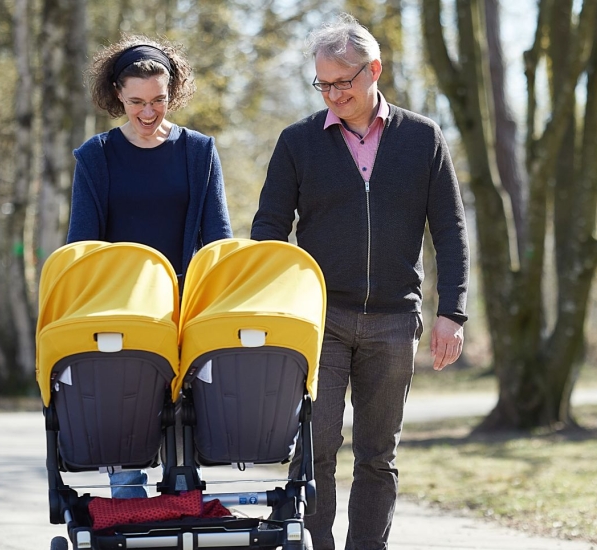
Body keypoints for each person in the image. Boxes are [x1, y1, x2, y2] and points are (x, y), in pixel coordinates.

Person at [249, 13, 468, 550]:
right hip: (319, 322)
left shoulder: (422, 138)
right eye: (322, 83)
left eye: (342, 82)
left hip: (396, 321)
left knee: (378, 454)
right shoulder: (298, 142)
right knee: (316, 450)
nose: (331, 94)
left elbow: (451, 230)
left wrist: (452, 311)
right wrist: (272, 311)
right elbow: (269, 232)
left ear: (374, 71)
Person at [66, 35, 232, 498]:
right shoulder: (96, 157)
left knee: (185, 411)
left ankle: (184, 497)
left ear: (172, 93)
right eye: (136, 101)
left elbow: (218, 238)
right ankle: (129, 503)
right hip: (119, 308)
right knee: (129, 413)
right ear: (117, 93)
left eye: (158, 100)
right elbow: (81, 244)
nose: (147, 112)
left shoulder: (198, 152)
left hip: (184, 305)